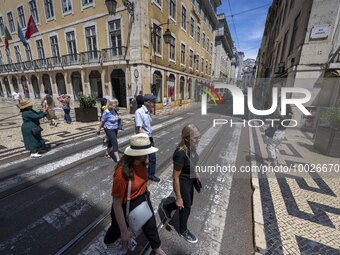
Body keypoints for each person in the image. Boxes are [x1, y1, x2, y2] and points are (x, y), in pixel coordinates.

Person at [104, 133, 166, 255]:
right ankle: (108, 242)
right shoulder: (121, 173)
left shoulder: (142, 162)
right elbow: (116, 204)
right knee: (115, 230)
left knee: (150, 224)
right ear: (137, 154)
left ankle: (157, 249)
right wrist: (124, 231)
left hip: (142, 197)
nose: (149, 154)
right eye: (146, 152)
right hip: (125, 204)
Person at [161, 124, 201, 244]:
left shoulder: (192, 147)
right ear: (186, 138)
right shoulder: (180, 154)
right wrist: (178, 197)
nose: (198, 140)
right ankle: (183, 230)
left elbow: (192, 161)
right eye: (195, 138)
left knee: (189, 203)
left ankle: (167, 207)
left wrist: (196, 174)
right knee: (186, 207)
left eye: (199, 137)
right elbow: (175, 177)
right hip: (182, 182)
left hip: (190, 180)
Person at [134, 94, 160, 182]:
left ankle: (150, 174)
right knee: (142, 158)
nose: (154, 104)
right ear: (148, 102)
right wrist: (146, 139)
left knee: (152, 158)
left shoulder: (148, 111)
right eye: (153, 102)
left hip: (149, 137)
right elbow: (139, 128)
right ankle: (139, 174)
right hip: (143, 138)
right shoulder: (139, 112)